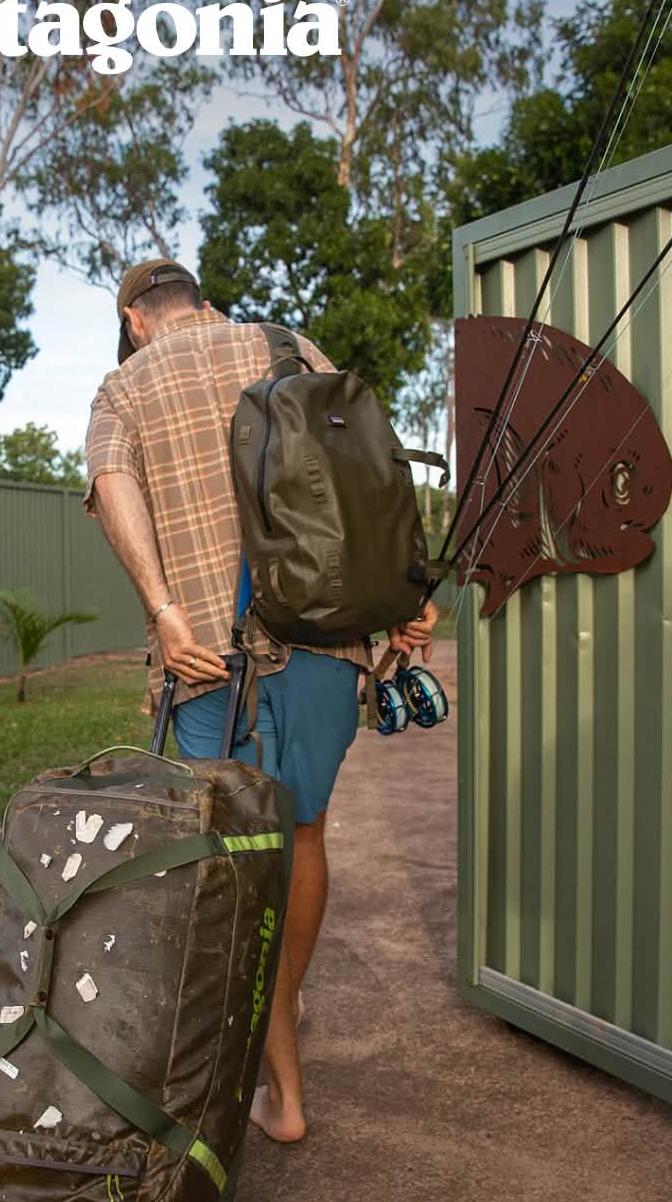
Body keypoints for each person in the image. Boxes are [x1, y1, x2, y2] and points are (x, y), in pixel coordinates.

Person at [84, 257, 438, 1143]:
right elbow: (373, 474)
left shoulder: (125, 386)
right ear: (203, 304)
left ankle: (280, 1089)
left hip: (208, 658)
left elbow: (113, 488)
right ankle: (285, 1005)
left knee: (236, 858)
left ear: (135, 320)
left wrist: (163, 610)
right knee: (304, 834)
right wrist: (405, 593)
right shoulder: (289, 346)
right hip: (326, 642)